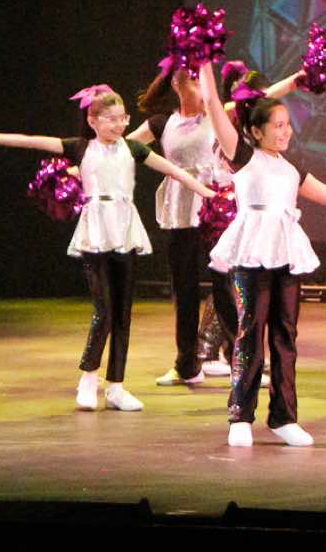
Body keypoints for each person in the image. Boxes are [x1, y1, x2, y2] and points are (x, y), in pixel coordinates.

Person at [0, 85, 215, 412]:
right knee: (104, 309)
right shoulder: (80, 148)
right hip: (95, 232)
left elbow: (173, 171)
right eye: (111, 120)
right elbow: (29, 140)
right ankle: (88, 378)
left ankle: (116, 386)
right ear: (92, 121)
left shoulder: (132, 148)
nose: (119, 125)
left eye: (123, 119)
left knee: (122, 314)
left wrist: (211, 194)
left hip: (125, 231)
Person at [197, 61, 326, 448]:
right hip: (251, 256)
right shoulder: (243, 156)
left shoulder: (292, 168)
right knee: (250, 333)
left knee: (286, 336)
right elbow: (213, 104)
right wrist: (202, 63)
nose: (285, 132)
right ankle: (240, 415)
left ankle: (284, 417)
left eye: (287, 125)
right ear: (256, 131)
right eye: (277, 125)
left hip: (285, 255)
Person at [127, 62, 301, 389]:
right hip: (181, 213)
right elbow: (122, 146)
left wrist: (296, 80)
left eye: (199, 76)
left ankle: (241, 362)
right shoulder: (162, 123)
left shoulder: (216, 114)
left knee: (226, 289)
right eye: (191, 77)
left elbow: (261, 97)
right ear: (176, 84)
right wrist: (80, 164)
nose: (197, 82)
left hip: (215, 211)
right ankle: (186, 365)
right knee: (184, 291)